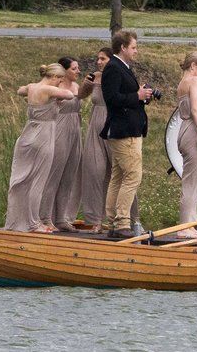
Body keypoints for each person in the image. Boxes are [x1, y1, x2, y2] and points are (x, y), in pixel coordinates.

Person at [5, 64, 75, 232]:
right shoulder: (48, 90)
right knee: (38, 181)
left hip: (27, 136)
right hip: (43, 136)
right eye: (59, 80)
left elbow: (20, 90)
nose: (59, 84)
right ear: (54, 77)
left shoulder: (32, 87)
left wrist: (31, 92)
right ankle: (33, 222)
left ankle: (16, 221)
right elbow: (70, 94)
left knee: (20, 180)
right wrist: (58, 94)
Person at [78, 48, 139, 234]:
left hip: (115, 125)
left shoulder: (120, 74)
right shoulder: (94, 77)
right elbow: (80, 96)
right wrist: (86, 84)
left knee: (123, 173)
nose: (99, 62)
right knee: (94, 172)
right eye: (97, 58)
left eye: (102, 58)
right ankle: (95, 220)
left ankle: (132, 219)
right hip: (96, 127)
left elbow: (130, 97)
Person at [100, 30, 152, 239]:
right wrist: (136, 95)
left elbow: (124, 95)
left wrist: (141, 96)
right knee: (132, 176)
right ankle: (122, 222)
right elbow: (112, 98)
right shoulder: (113, 68)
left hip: (128, 128)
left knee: (119, 176)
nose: (136, 51)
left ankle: (113, 222)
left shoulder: (123, 67)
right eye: (133, 47)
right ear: (122, 47)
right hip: (124, 131)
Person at [39, 57, 83, 233]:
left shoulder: (76, 87)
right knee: (54, 173)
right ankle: (44, 217)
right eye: (74, 68)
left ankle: (61, 217)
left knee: (69, 175)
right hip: (60, 128)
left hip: (75, 128)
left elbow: (82, 95)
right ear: (64, 72)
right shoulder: (55, 88)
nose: (78, 71)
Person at [174, 52, 197, 239]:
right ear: (192, 66)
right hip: (193, 133)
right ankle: (185, 227)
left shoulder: (182, 83)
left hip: (184, 130)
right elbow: (196, 110)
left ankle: (190, 224)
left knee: (193, 180)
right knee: (192, 182)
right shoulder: (194, 81)